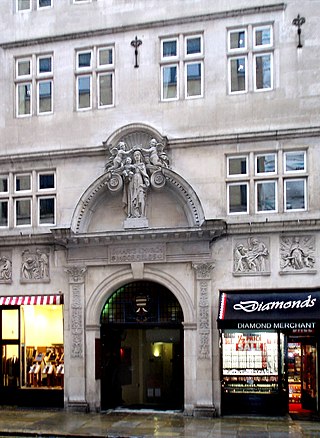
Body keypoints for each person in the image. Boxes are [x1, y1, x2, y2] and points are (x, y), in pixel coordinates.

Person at [123, 150, 150, 218]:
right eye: (135, 155)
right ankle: (133, 213)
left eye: (138, 155)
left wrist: (146, 182)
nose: (136, 156)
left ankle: (142, 214)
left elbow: (144, 174)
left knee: (140, 197)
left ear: (140, 156)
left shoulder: (142, 165)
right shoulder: (132, 166)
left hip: (139, 180)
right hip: (132, 182)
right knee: (132, 197)